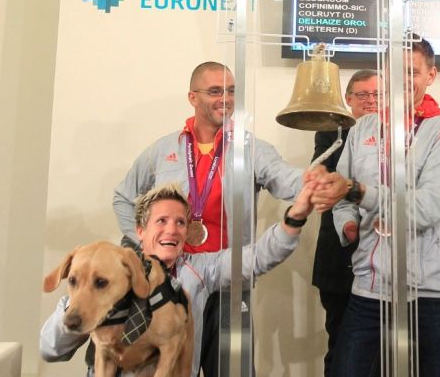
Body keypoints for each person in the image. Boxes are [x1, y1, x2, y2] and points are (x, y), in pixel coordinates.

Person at [112, 61, 341, 375]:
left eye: (231, 92)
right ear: (193, 97)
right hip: (173, 282)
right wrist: (144, 246)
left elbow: (286, 179)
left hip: (229, 278)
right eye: (215, 91)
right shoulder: (164, 149)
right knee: (173, 368)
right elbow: (124, 198)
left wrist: (312, 181)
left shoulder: (252, 149)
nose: (225, 99)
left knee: (232, 369)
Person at [41, 181, 318, 376]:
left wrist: (294, 218)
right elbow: (49, 349)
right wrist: (80, 311)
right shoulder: (106, 269)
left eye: (180, 223)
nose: (171, 230)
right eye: (161, 221)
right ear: (140, 230)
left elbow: (257, 257)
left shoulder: (200, 270)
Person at [328, 36, 440, 377]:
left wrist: (362, 193)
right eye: (394, 72)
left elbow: (425, 209)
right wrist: (348, 226)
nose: (402, 80)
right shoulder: (364, 128)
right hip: (371, 286)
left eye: (412, 72)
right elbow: (342, 195)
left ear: (431, 75)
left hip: (431, 291)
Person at [311, 69, 378, 376]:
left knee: (381, 349)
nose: (370, 101)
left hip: (383, 257)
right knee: (340, 343)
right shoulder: (330, 132)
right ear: (348, 99)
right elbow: (326, 178)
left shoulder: (401, 135)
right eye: (363, 95)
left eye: (377, 95)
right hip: (339, 260)